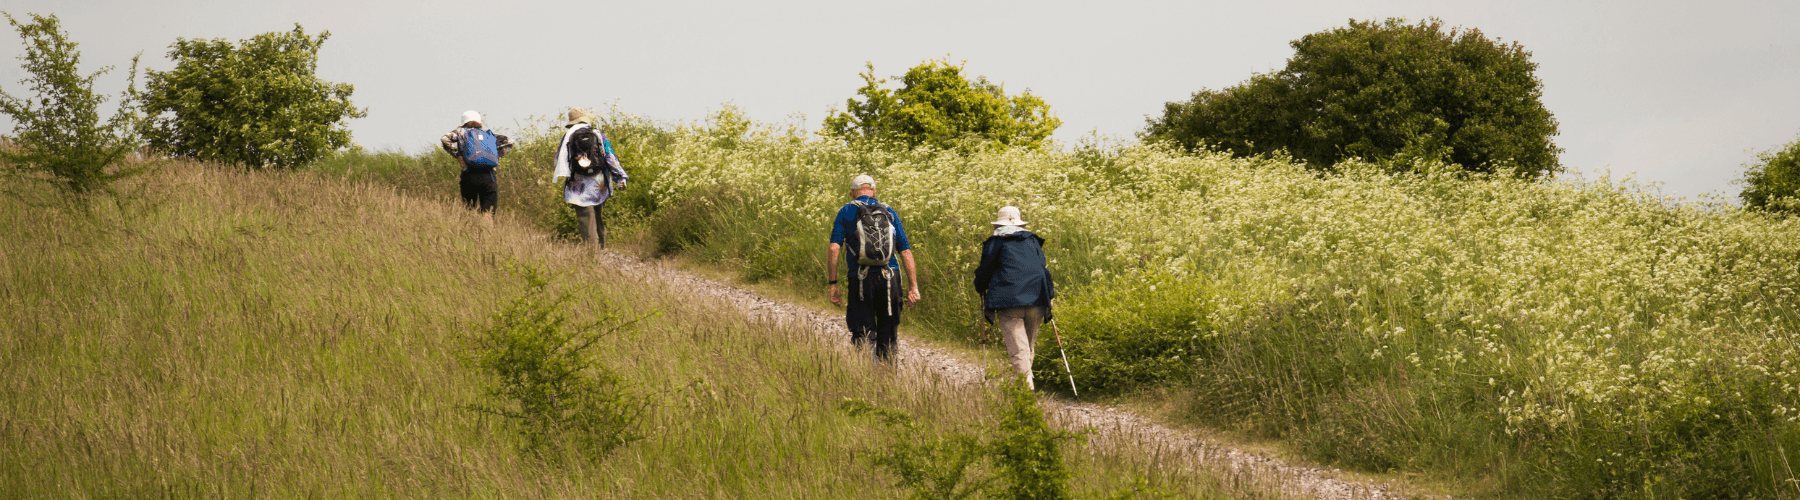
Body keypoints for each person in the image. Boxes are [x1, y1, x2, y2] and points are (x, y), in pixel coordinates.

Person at [828, 174, 921, 363]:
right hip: (890, 279)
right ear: (874, 191)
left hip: (860, 279)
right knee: (888, 332)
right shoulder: (888, 211)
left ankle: (868, 380)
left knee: (863, 332)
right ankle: (887, 379)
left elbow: (834, 248)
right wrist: (913, 287)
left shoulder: (846, 211)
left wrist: (833, 283)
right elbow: (905, 251)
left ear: (852, 193)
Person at [973, 206, 1056, 390]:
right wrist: (1050, 294)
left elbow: (985, 271)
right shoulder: (1032, 241)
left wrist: (979, 287)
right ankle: (1025, 386)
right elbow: (1042, 269)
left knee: (1019, 349)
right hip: (1037, 299)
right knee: (1027, 347)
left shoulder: (995, 242)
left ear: (998, 224)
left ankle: (1027, 391)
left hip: (1008, 300)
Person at [552, 108, 628, 254]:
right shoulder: (598, 134)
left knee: (585, 216)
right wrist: (620, 177)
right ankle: (602, 249)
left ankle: (592, 254)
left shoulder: (568, 136)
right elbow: (610, 157)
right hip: (599, 182)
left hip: (577, 183)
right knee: (597, 214)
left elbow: (558, 161)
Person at [439, 110, 516, 224]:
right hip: (488, 176)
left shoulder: (461, 132)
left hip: (469, 175)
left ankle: (472, 234)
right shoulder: (489, 135)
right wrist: (497, 157)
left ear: (464, 121)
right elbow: (510, 141)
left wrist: (458, 155)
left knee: (470, 209)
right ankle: (487, 233)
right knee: (488, 211)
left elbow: (445, 139)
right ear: (479, 121)